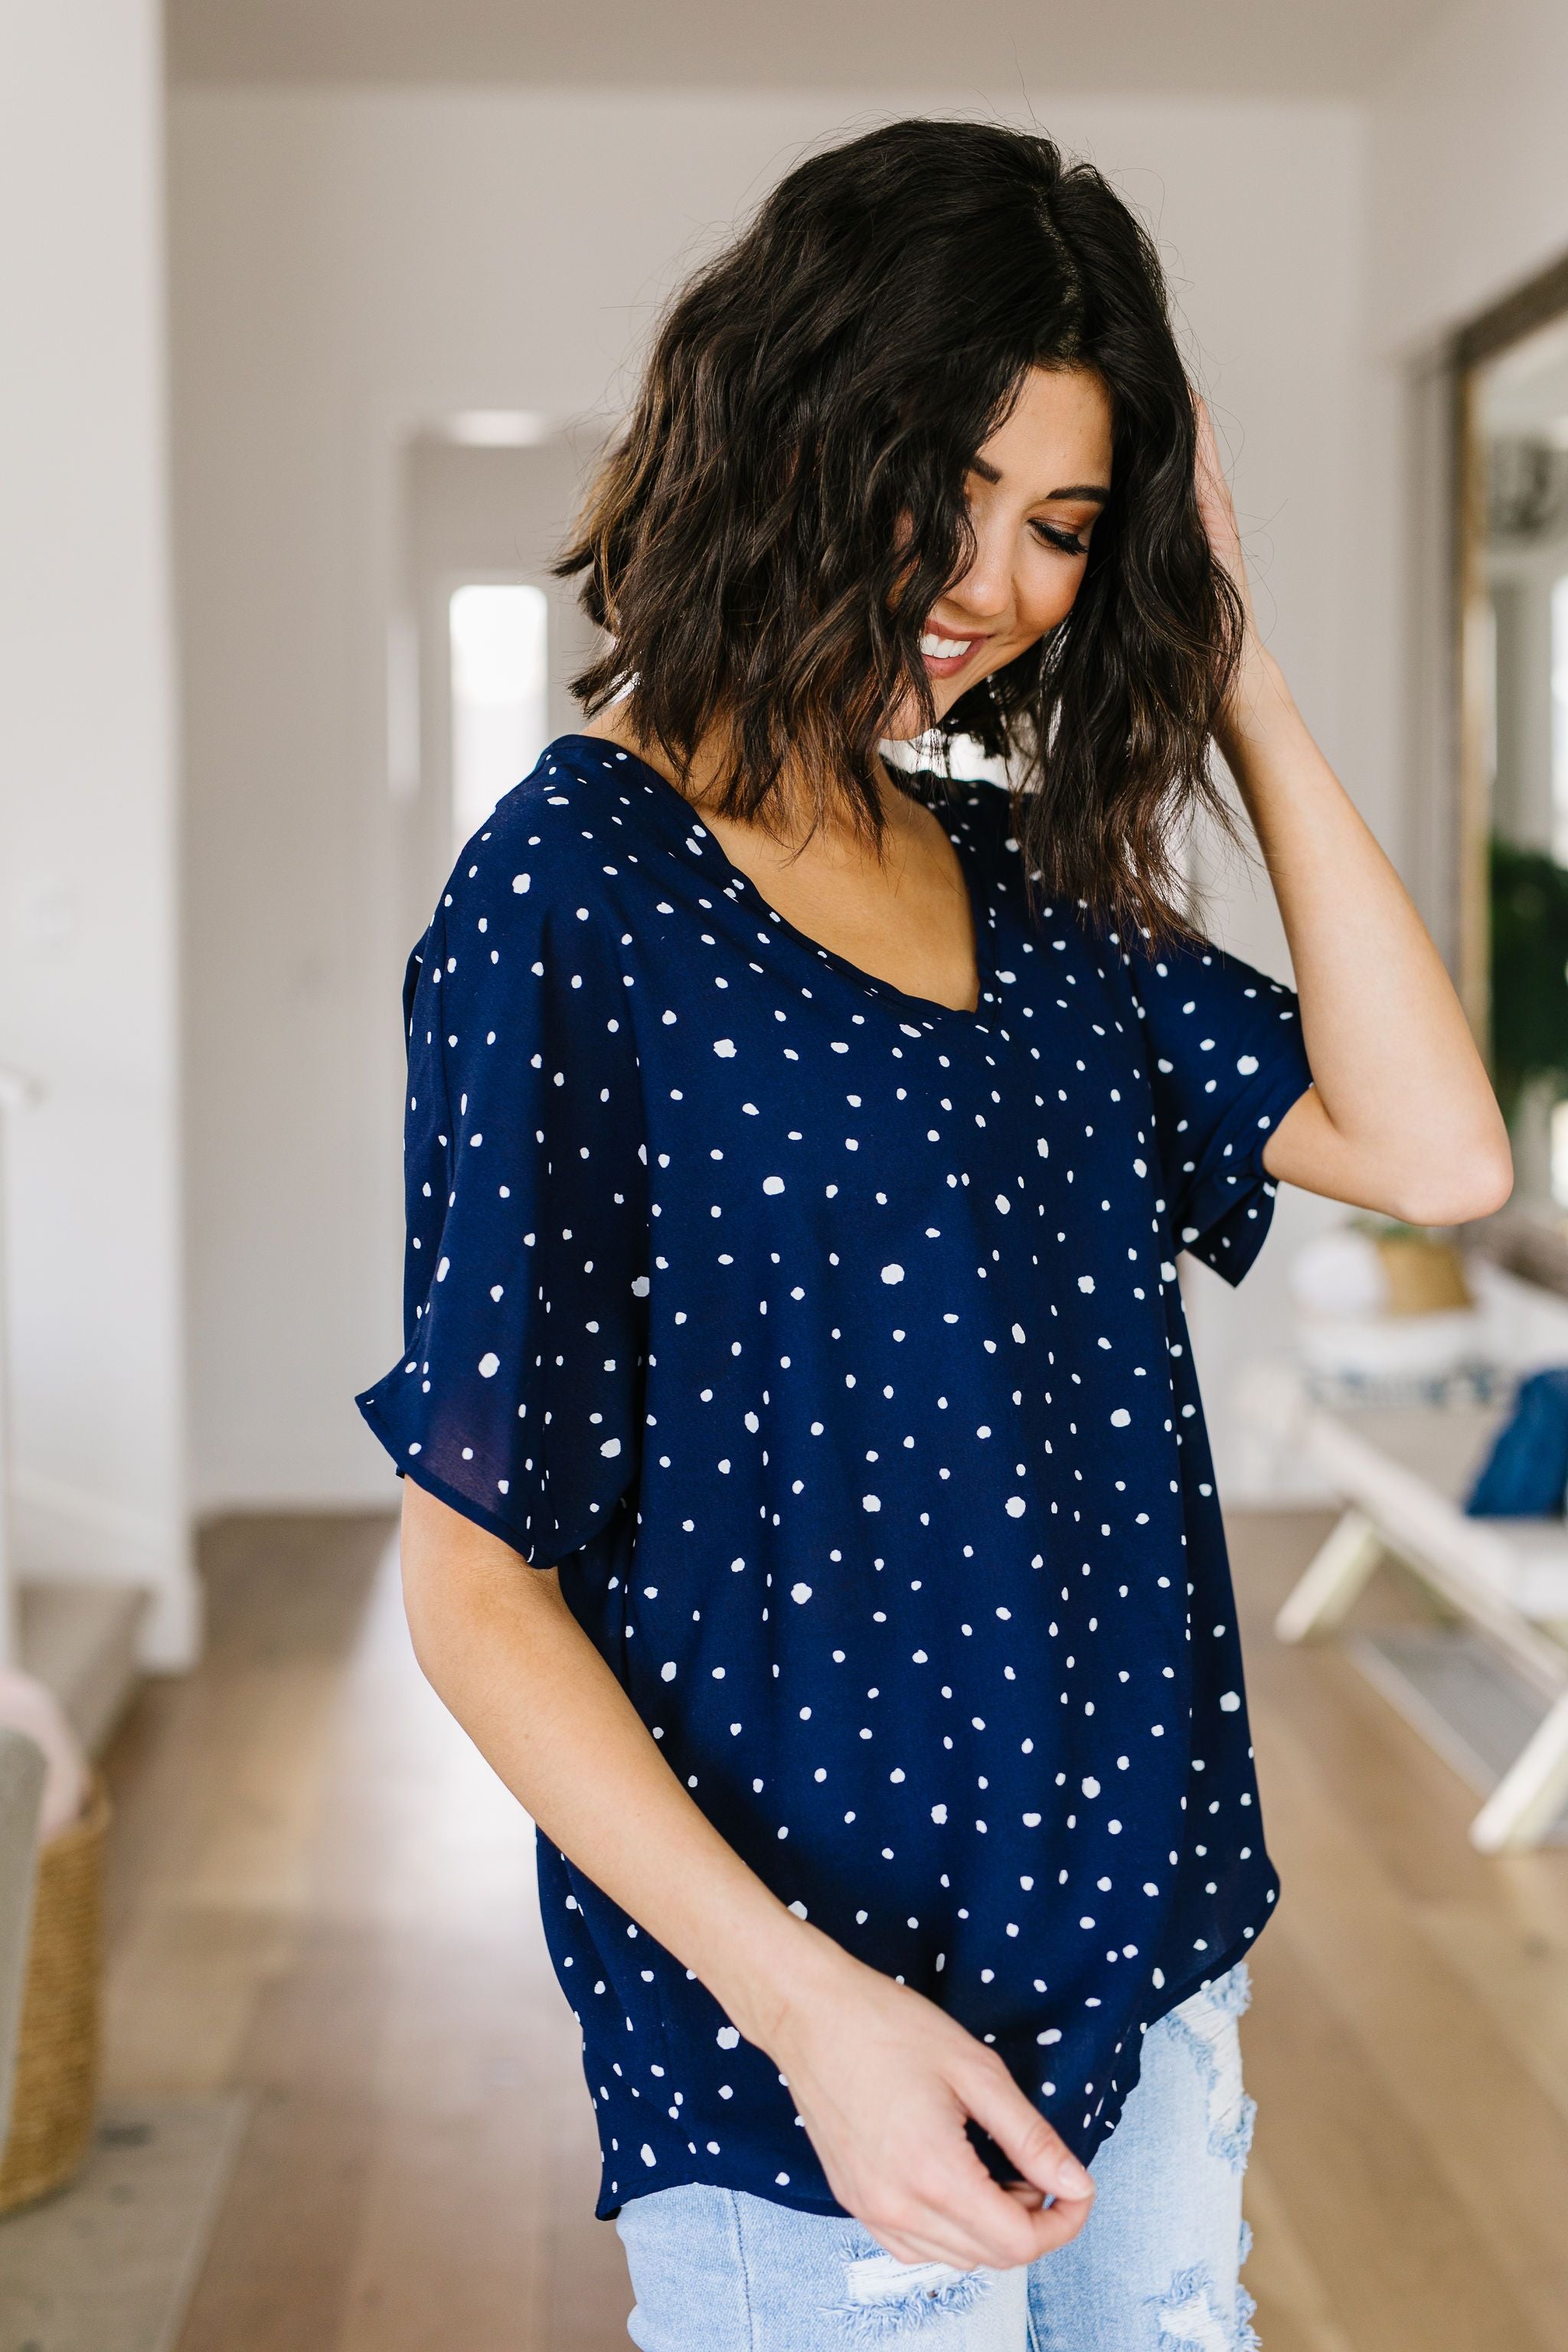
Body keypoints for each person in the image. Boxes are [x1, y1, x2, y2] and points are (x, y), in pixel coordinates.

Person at [356, 119, 1511, 2351]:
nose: (988, 586)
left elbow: (1438, 1146)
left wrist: (1241, 669)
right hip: (824, 2046)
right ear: (792, 435)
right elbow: (470, 1584)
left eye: (1063, 528)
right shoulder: (570, 894)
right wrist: (807, 2012)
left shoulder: (1028, 892)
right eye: (941, 492)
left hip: (1144, 1953)